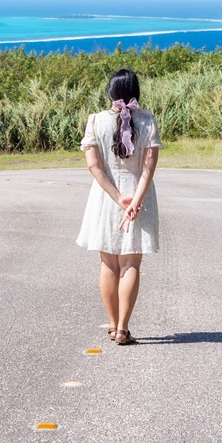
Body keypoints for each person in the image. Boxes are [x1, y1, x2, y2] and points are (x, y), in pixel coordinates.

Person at [76, 67, 161, 345]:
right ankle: (124, 328)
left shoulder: (96, 120)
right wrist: (134, 201)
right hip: (139, 196)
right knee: (131, 264)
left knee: (108, 264)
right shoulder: (147, 120)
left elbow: (94, 166)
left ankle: (113, 326)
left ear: (111, 92)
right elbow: (149, 168)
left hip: (105, 197)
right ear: (136, 91)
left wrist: (118, 198)